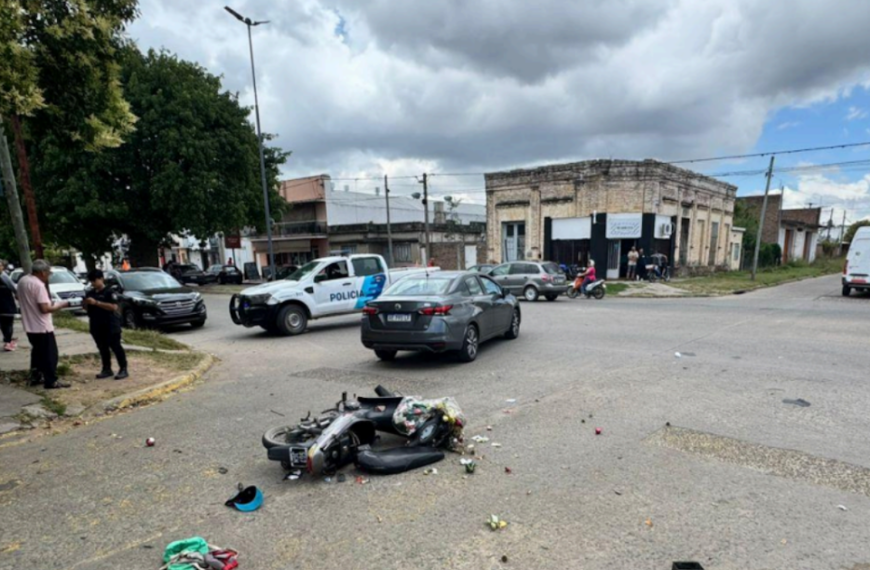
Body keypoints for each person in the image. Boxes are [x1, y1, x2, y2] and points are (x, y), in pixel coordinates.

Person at [18, 260, 71, 389]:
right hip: (42, 326)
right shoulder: (39, 285)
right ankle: (51, 380)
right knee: (50, 355)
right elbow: (45, 309)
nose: (49, 276)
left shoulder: (23, 281)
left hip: (29, 325)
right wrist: (61, 305)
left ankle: (35, 376)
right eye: (48, 273)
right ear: (42, 272)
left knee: (37, 352)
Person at [84, 269, 128, 380]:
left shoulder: (109, 292)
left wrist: (97, 303)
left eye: (95, 280)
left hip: (110, 324)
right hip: (96, 324)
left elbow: (114, 307)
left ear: (101, 279)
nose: (93, 283)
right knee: (102, 348)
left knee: (116, 346)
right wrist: (85, 303)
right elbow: (86, 308)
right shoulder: (90, 293)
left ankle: (123, 368)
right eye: (91, 281)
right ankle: (107, 369)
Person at [0, 259, 17, 352]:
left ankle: (8, 340)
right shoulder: (4, 277)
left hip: (7, 305)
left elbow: (13, 288)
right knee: (6, 324)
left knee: (7, 324)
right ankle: (8, 340)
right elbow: (14, 288)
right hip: (6, 306)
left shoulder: (5, 277)